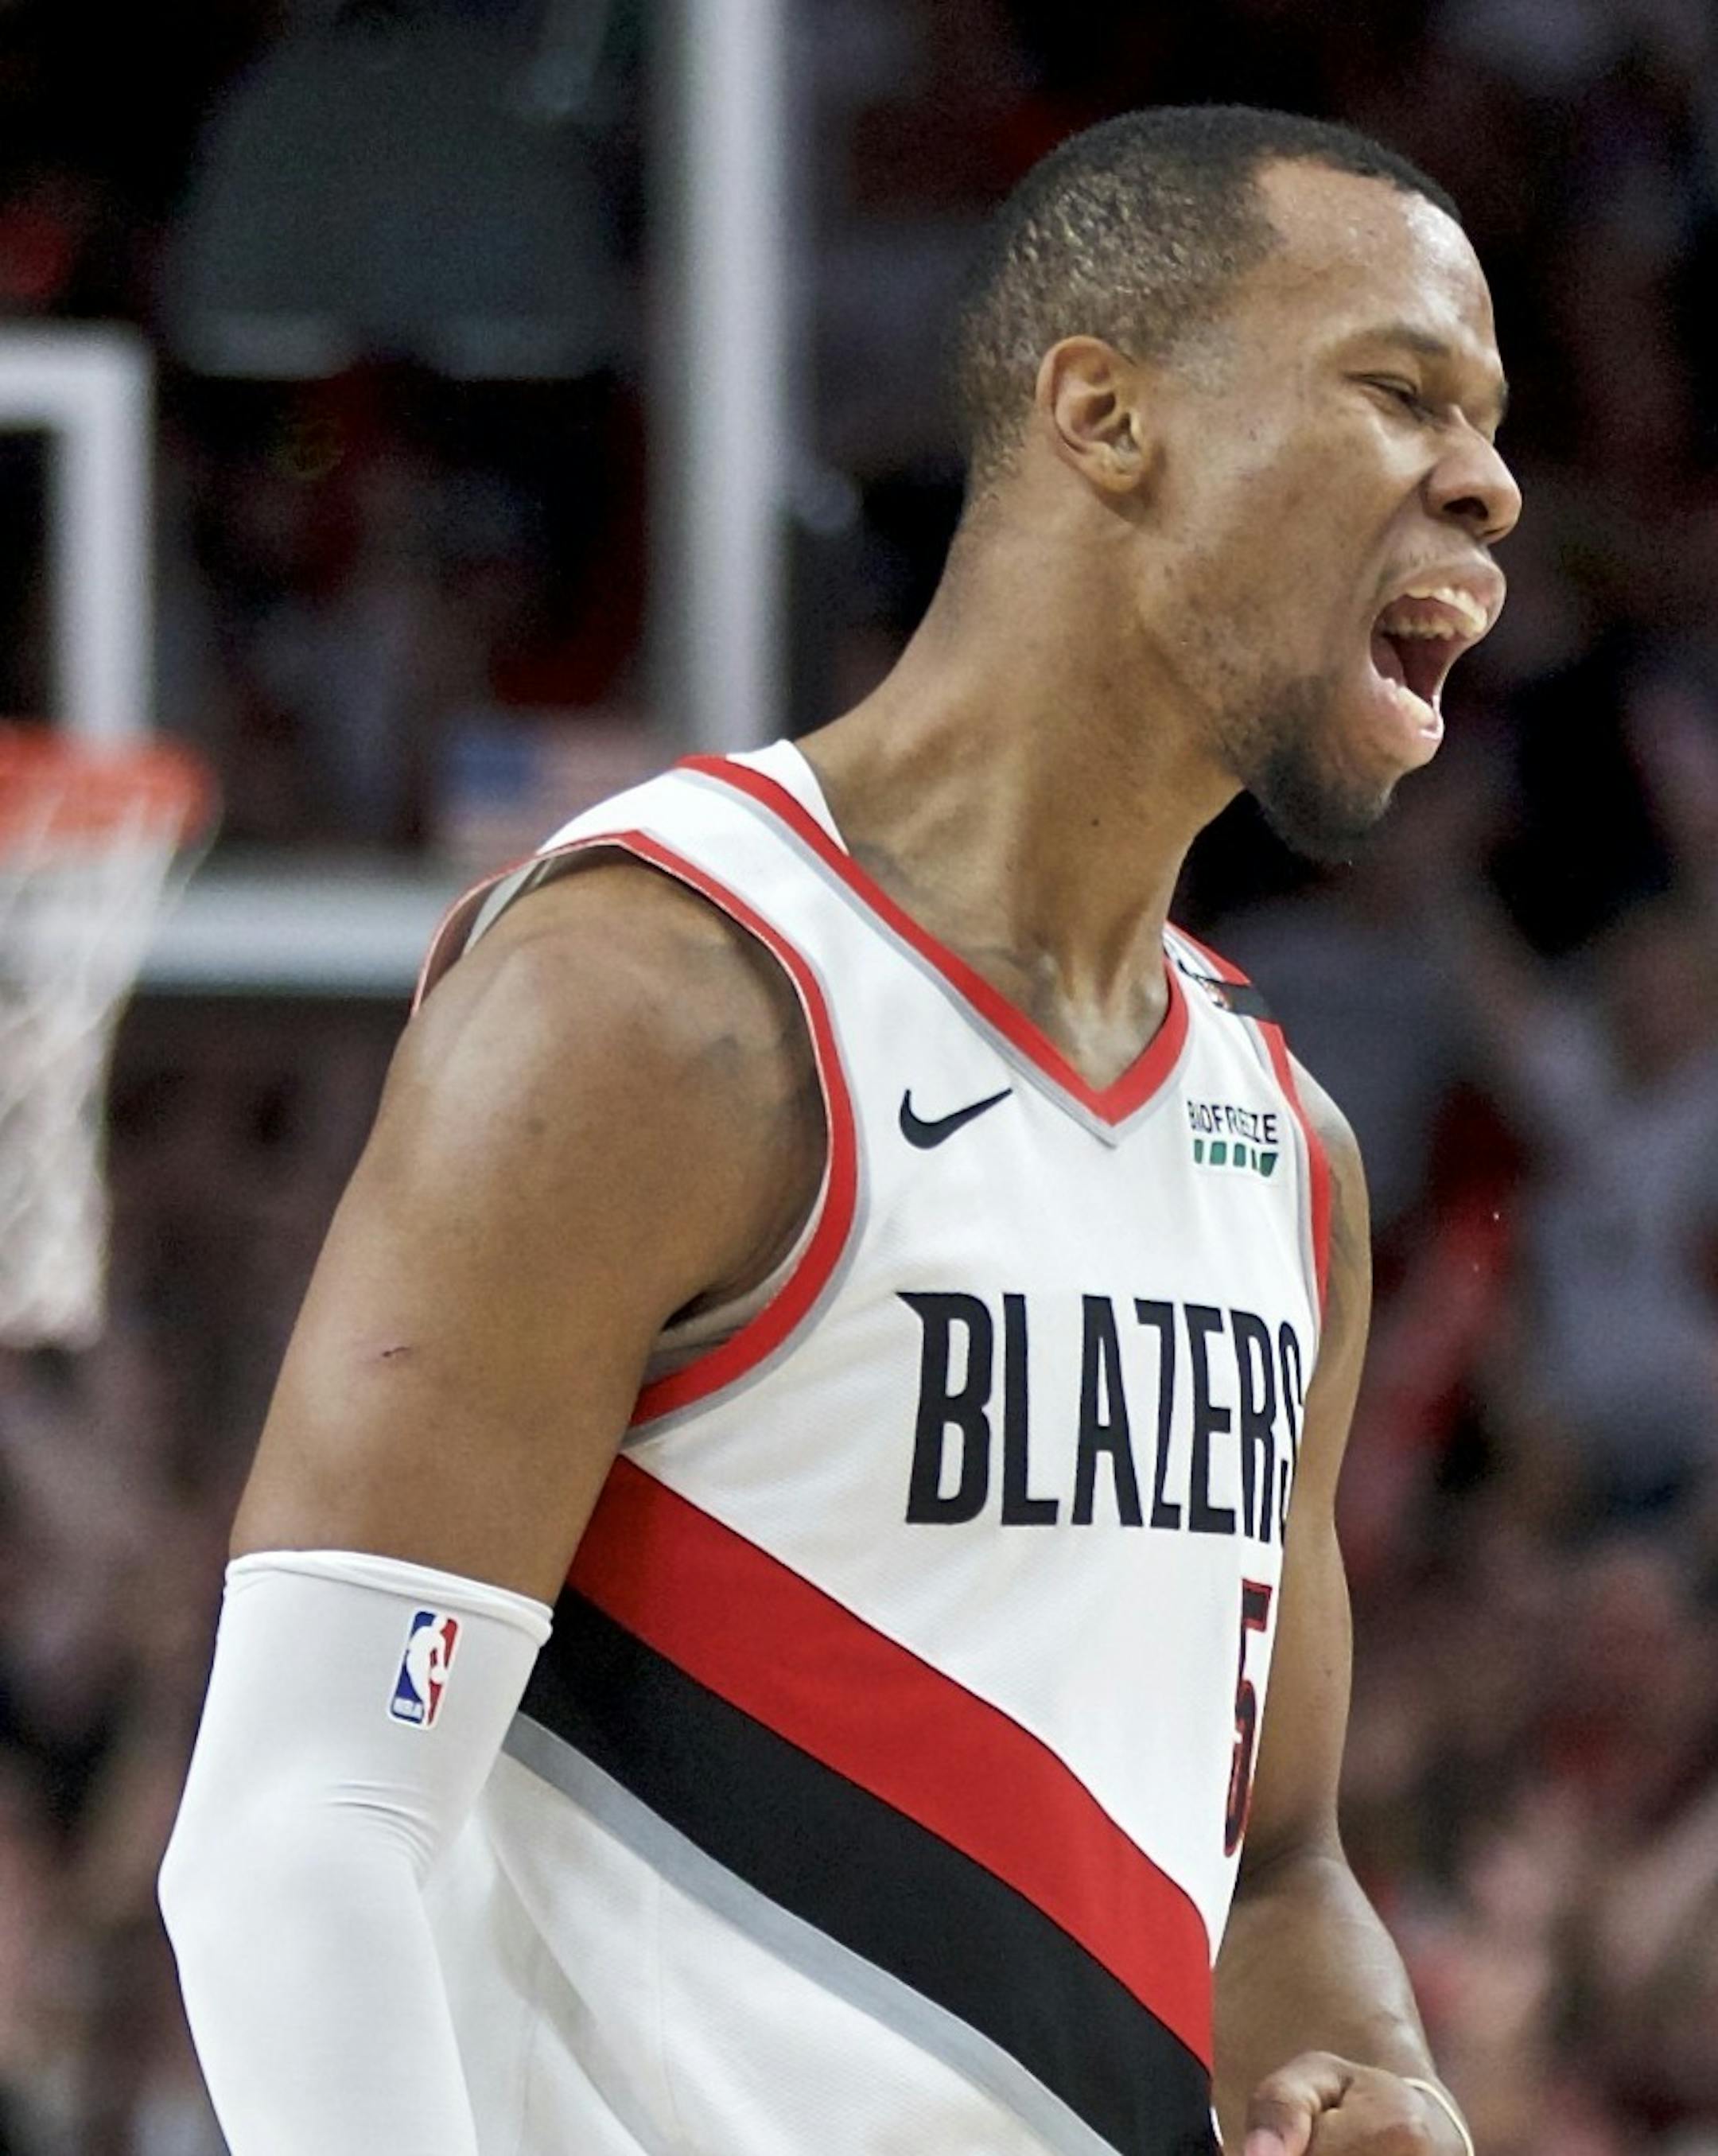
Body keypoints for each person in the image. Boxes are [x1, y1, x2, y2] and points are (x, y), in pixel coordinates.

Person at [157, 103, 1518, 2156]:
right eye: (1401, 392)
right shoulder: (662, 996)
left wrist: (1373, 2084)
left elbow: (1281, 1867)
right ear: (1104, 411)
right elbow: (299, 1824)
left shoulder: (1283, 1145)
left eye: (1492, 427)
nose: (1492, 484)